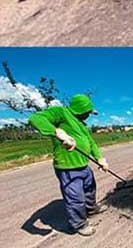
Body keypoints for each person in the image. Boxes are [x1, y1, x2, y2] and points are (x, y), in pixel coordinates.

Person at [28, 94, 109, 236]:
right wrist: (56, 131)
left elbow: (91, 142)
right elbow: (35, 118)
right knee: (75, 198)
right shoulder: (61, 113)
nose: (88, 116)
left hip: (84, 164)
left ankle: (91, 209)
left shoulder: (82, 124)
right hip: (68, 168)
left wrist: (100, 158)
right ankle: (79, 224)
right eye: (87, 112)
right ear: (80, 109)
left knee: (90, 189)